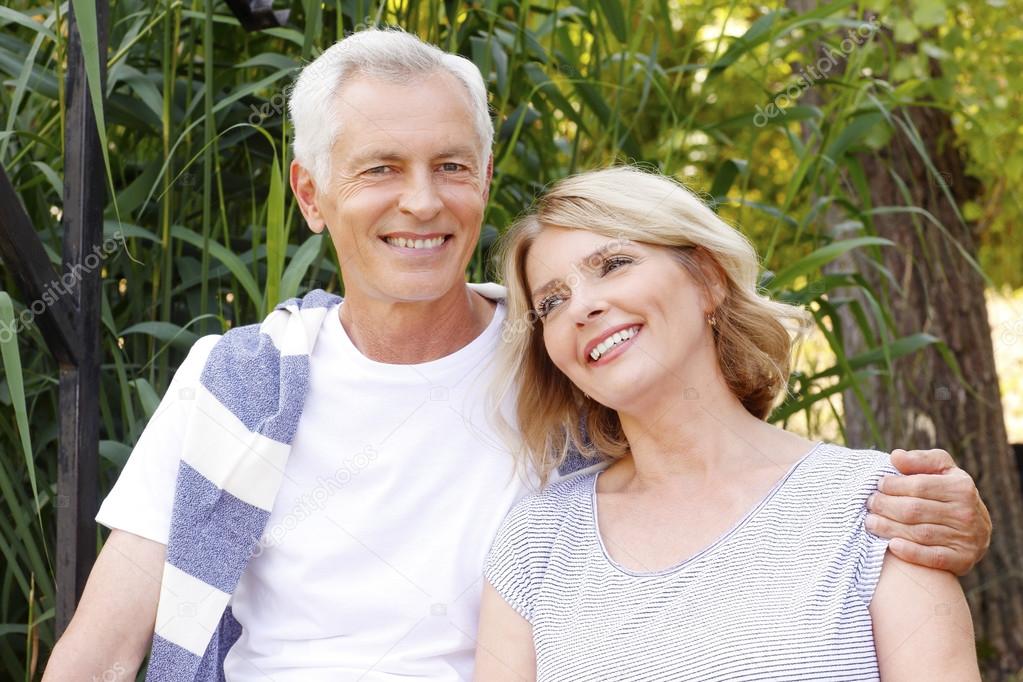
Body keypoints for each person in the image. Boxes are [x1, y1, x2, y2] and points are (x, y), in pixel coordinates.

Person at [44, 29, 990, 682]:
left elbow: (728, 486)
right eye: (379, 169)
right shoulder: (240, 381)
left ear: (484, 179)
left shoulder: (561, 361)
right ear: (310, 193)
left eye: (451, 166)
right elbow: (100, 651)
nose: (422, 202)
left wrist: (940, 522)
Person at [475, 166, 982, 681]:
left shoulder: (878, 507)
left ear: (707, 279)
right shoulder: (537, 542)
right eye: (552, 302)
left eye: (614, 263)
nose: (582, 306)